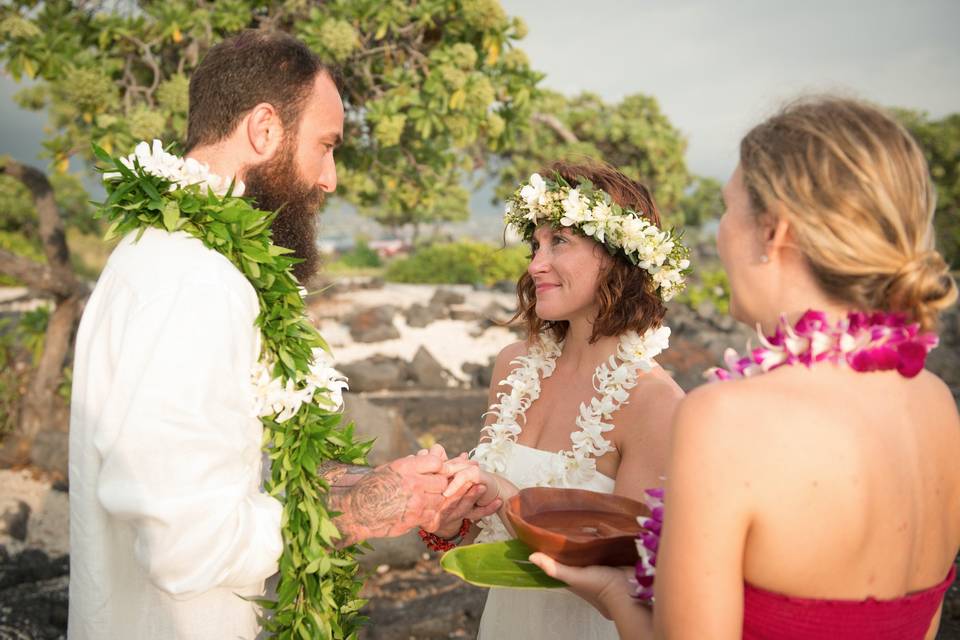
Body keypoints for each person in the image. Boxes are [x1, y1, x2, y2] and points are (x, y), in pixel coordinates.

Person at [68, 30, 498, 640]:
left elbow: (230, 471)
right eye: (325, 146)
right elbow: (184, 546)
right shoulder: (190, 281)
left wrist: (383, 487)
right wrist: (359, 511)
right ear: (265, 129)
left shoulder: (184, 261)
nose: (331, 178)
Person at [529, 97, 960, 640]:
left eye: (728, 210)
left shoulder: (726, 419)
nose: (719, 234)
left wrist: (616, 595)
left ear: (774, 232)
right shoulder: (934, 400)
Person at [425, 161, 688, 639]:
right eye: (535, 244)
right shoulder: (512, 365)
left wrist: (505, 493)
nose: (534, 264)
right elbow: (481, 536)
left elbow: (633, 589)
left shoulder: (656, 402)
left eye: (559, 242)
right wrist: (448, 518)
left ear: (617, 257)